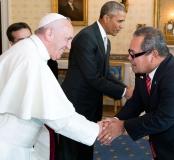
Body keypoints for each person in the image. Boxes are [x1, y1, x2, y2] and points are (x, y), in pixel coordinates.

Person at [98, 26, 174, 160]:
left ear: (154, 55)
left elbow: (162, 118)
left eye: (133, 53)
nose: (129, 57)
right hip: (166, 146)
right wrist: (116, 120)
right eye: (129, 52)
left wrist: (123, 126)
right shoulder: (143, 71)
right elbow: (136, 102)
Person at [0, 13, 104, 160]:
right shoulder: (33, 60)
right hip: (9, 148)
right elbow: (60, 117)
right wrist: (97, 130)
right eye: (67, 39)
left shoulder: (24, 51)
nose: (69, 46)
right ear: (49, 33)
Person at [57, 1, 134, 160]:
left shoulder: (105, 40)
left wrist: (125, 88)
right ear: (106, 17)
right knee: (71, 150)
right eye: (119, 21)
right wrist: (125, 92)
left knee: (87, 145)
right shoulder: (86, 37)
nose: (122, 25)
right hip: (76, 104)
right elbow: (93, 77)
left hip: (91, 103)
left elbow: (105, 73)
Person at [6, 22, 59, 160]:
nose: (27, 43)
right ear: (11, 43)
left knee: (46, 148)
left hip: (43, 112)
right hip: (18, 121)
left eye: (30, 38)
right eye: (21, 40)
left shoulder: (49, 59)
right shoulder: (7, 61)